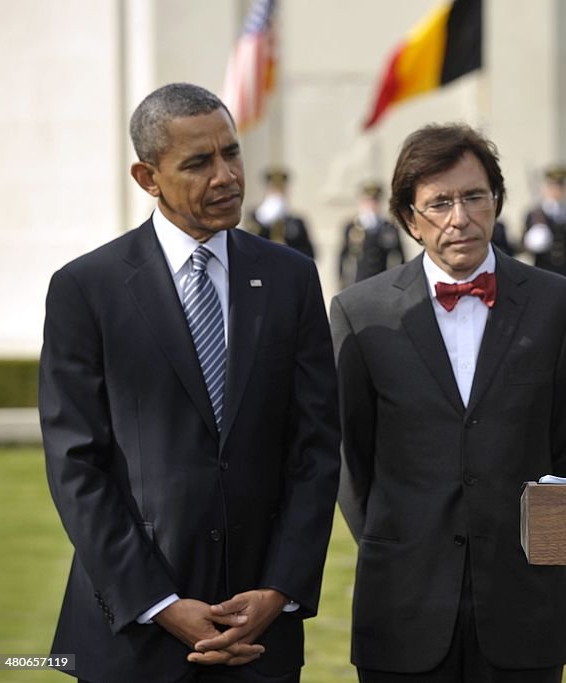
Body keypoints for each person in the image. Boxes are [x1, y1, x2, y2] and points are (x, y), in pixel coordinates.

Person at [39, 83, 341, 683]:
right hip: (133, 636)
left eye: (232, 154)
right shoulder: (86, 288)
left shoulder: (291, 278)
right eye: (199, 163)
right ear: (147, 177)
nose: (226, 175)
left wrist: (280, 589)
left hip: (261, 634)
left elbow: (315, 449)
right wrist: (159, 604)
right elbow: (76, 464)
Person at [330, 124, 566, 682]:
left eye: (474, 197)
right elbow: (349, 457)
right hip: (401, 605)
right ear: (408, 218)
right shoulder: (362, 312)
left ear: (497, 201)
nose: (459, 217)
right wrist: (403, 541)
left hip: (524, 605)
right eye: (439, 203)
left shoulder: (560, 306)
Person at [522, 164, 566, 286]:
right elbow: (522, 246)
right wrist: (531, 241)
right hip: (542, 276)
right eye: (552, 186)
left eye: (560, 186)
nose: (556, 190)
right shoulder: (534, 214)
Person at [338, 180, 404, 286]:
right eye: (368, 201)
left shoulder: (389, 228)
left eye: (375, 201)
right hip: (359, 282)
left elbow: (401, 257)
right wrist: (342, 282)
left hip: (383, 281)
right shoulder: (353, 227)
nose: (371, 205)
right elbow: (342, 257)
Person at [245, 166, 316, 258]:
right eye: (274, 188)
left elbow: (309, 253)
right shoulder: (255, 217)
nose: (278, 193)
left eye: (281, 188)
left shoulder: (297, 222)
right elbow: (250, 244)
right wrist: (263, 220)